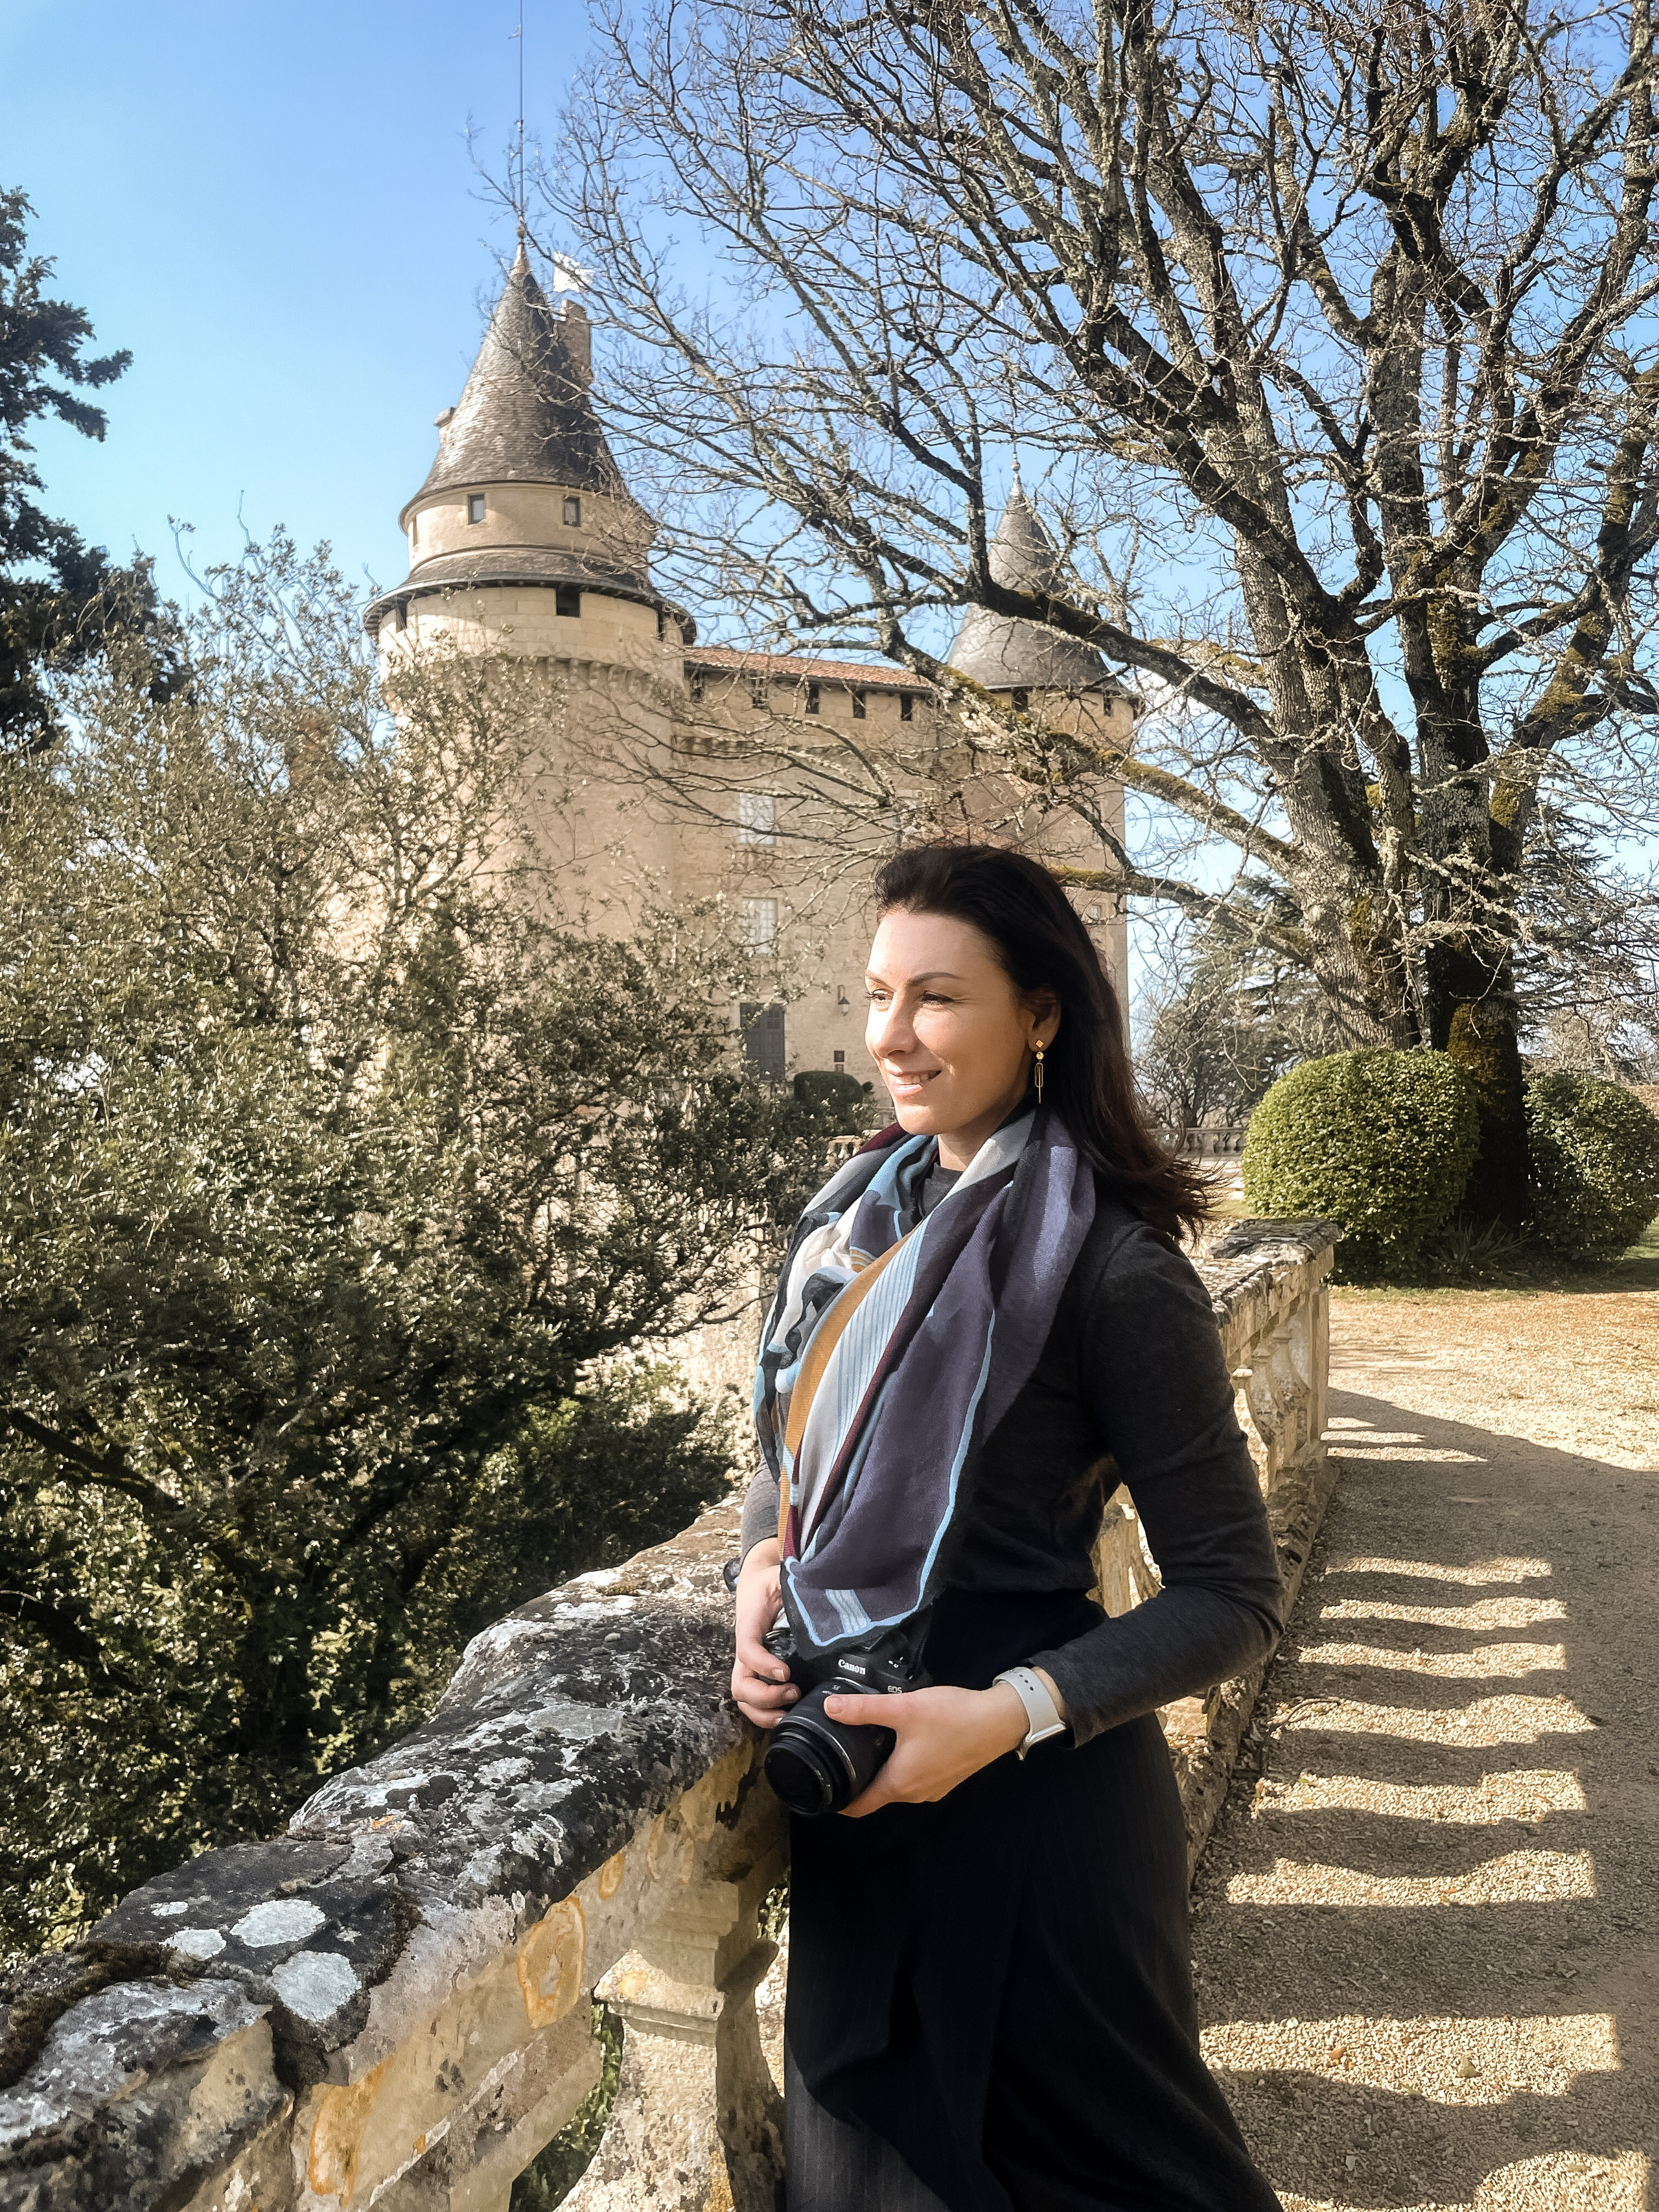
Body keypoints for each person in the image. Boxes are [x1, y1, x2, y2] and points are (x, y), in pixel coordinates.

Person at [730, 843, 1285, 2212]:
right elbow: (788, 1449)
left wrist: (1003, 1715)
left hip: (1034, 1815)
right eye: (875, 996)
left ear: (1039, 1014)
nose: (890, 1037)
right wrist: (760, 1564)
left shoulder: (1111, 1268)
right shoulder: (854, 1221)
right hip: (861, 1801)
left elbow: (1231, 1589)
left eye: (935, 998)